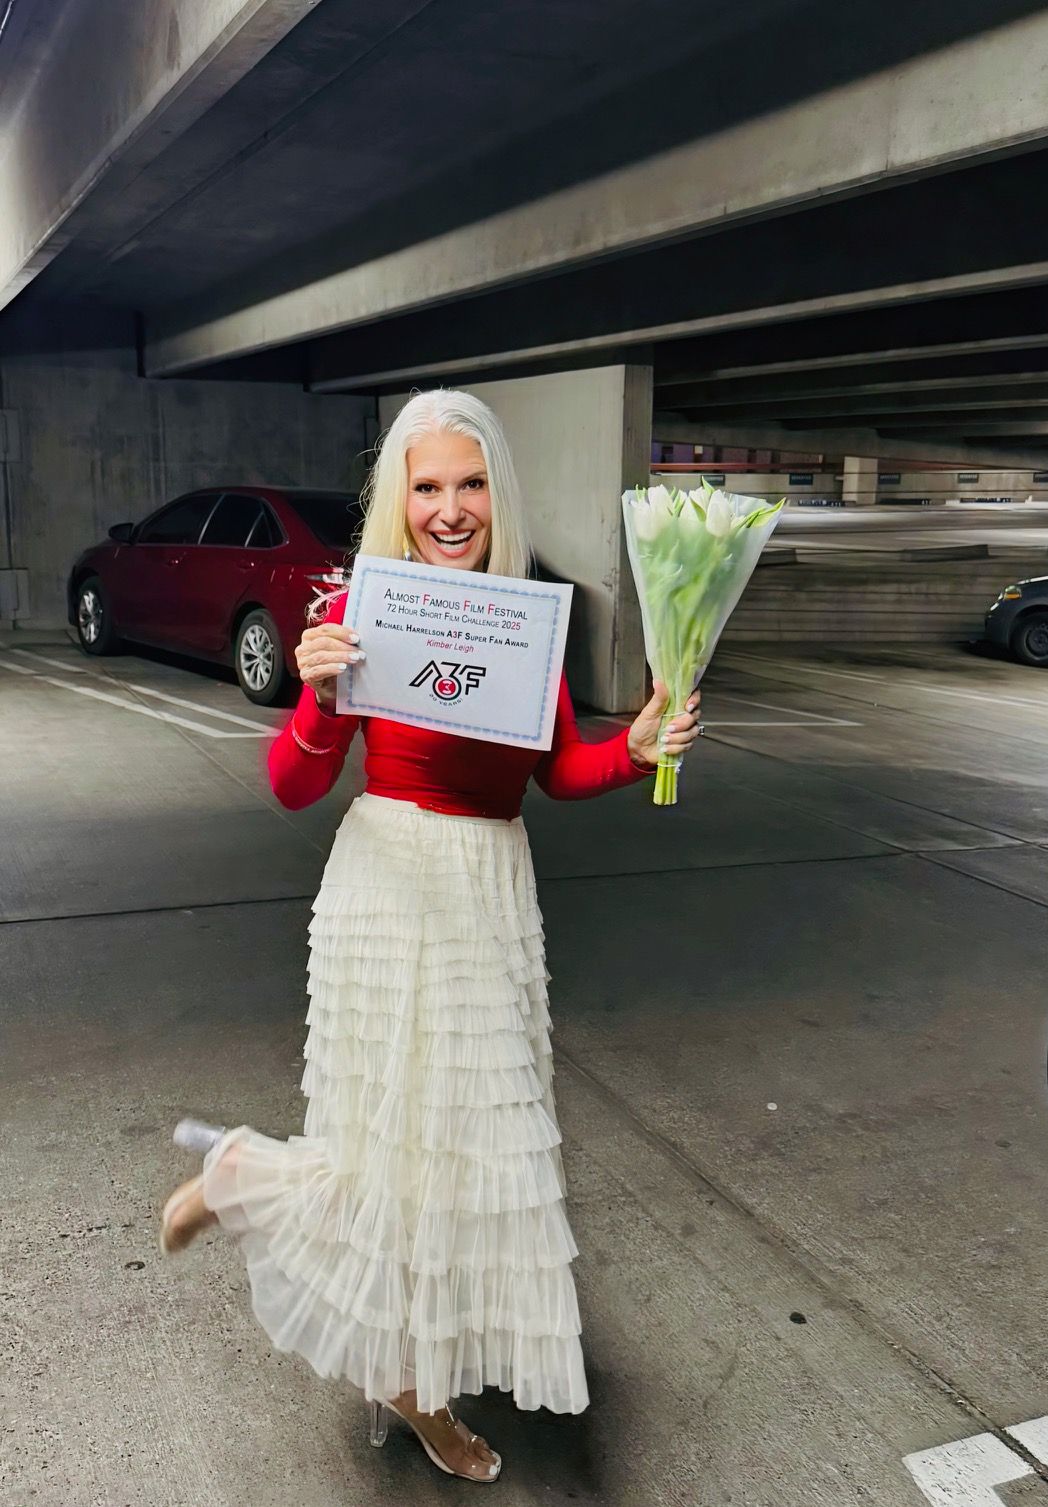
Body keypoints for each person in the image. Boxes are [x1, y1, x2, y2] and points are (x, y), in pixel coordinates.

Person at [157, 389, 703, 1484]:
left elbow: (556, 770)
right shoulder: (364, 605)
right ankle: (410, 1379)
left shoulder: (523, 615)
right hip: (389, 889)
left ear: (498, 494)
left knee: (462, 1157)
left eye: (470, 484)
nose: (450, 508)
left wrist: (636, 748)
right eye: (426, 487)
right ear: (398, 501)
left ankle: (254, 1183)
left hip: (490, 891)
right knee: (391, 1153)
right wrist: (318, 698)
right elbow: (292, 785)